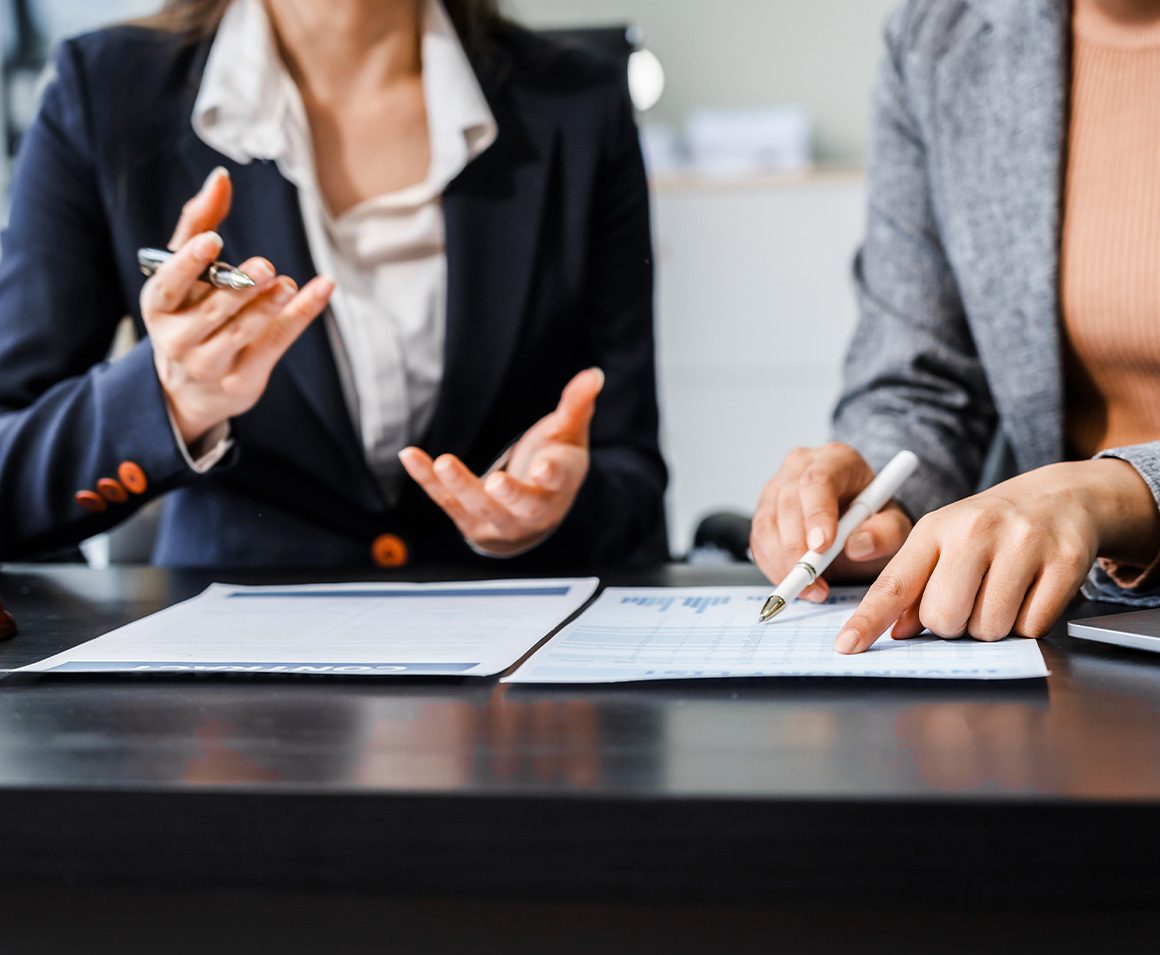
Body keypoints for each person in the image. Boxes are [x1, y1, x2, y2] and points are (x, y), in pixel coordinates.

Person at [0, 0, 666, 568]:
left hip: (509, 670)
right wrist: (169, 400)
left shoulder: (580, 103)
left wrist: (553, 508)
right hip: (226, 686)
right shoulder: (104, 93)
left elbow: (630, 471)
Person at [752, 0, 1160, 652]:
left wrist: (1121, 497)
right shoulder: (940, 32)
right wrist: (875, 508)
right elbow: (920, 379)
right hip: (1061, 634)